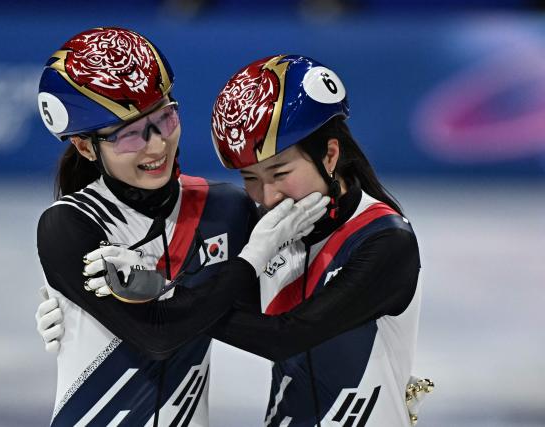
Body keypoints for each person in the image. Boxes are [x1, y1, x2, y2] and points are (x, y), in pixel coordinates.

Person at [37, 54, 431, 426]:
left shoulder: (385, 241)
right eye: (250, 178)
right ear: (85, 146)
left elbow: (284, 336)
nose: (268, 196)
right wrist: (88, 311)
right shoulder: (263, 227)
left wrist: (155, 291)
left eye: (280, 172)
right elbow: (215, 302)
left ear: (330, 155)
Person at [35, 29, 328, 427]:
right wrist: (250, 259)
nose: (157, 146)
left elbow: (272, 326)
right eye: (130, 134)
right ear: (86, 147)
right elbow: (158, 338)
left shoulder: (223, 208)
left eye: (164, 117)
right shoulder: (69, 224)